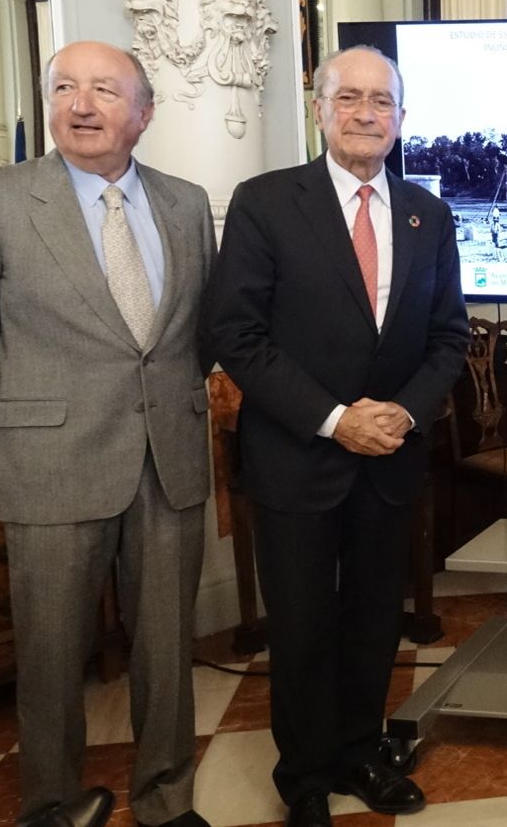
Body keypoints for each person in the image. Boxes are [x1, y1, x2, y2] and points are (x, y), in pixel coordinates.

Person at [0, 40, 216, 827]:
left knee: (167, 652)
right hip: (49, 468)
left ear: (144, 114)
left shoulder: (187, 203)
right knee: (52, 655)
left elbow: (198, 335)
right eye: (65, 88)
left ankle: (166, 799)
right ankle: (51, 805)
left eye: (104, 90)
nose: (82, 105)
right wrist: (22, 431)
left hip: (170, 463)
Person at [201, 45, 469, 827]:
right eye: (347, 98)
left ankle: (361, 751)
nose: (363, 113)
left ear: (401, 119)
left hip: (389, 458)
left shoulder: (430, 213)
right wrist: (334, 419)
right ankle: (306, 776)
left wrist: (403, 414)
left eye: (380, 102)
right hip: (297, 457)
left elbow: (449, 337)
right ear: (320, 109)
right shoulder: (265, 202)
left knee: (375, 620)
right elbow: (239, 335)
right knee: (305, 623)